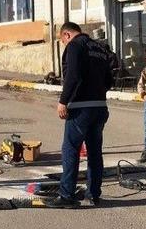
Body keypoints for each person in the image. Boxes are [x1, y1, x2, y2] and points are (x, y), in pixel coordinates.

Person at [46, 22, 114, 209]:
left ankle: (67, 195)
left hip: (80, 108)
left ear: (67, 35)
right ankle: (94, 194)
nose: (64, 44)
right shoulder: (99, 48)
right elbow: (109, 79)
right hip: (100, 107)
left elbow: (73, 76)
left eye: (63, 41)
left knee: (70, 149)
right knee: (94, 152)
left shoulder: (75, 46)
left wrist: (63, 101)